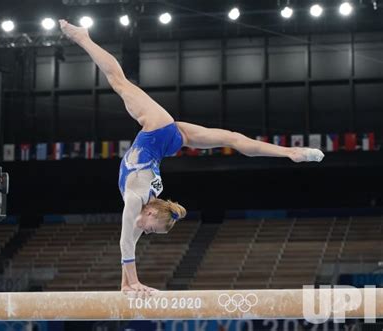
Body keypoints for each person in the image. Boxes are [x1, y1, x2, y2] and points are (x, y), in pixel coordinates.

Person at [58, 20, 325, 297]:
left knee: (231, 138)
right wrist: (133, 282)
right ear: (150, 212)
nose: (147, 233)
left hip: (168, 141)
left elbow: (129, 246)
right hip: (157, 128)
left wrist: (127, 285)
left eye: (151, 233)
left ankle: (290, 153)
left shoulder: (144, 205)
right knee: (119, 81)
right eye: (152, 229)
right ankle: (84, 38)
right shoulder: (136, 199)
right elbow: (127, 241)